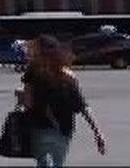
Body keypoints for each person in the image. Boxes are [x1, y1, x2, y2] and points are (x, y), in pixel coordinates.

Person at [21, 35, 106, 168]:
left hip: (41, 128)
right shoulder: (68, 75)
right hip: (64, 130)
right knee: (56, 164)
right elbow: (82, 106)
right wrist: (97, 132)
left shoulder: (32, 73)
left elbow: (28, 103)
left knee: (45, 163)